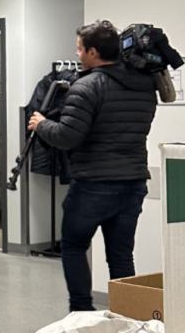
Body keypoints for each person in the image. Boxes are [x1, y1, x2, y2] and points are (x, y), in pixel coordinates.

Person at [28, 20, 157, 312]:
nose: (77, 55)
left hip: (93, 184)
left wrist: (42, 124)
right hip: (134, 182)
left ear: (94, 52)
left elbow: (67, 137)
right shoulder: (144, 85)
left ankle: (82, 312)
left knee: (73, 247)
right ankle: (128, 315)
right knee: (121, 255)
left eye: (79, 49)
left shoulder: (86, 86)